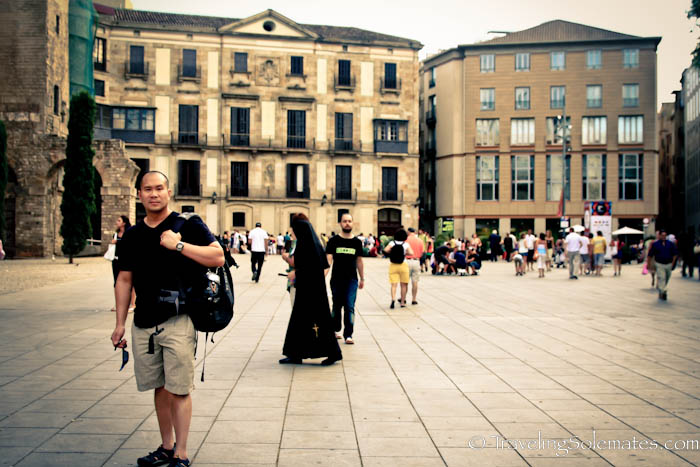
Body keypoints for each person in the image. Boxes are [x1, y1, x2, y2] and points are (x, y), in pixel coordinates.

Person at [111, 171, 224, 467]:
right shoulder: (133, 235)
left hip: (178, 319)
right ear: (139, 195)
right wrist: (120, 323)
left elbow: (218, 257)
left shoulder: (187, 225)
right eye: (147, 189)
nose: (154, 194)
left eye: (159, 188)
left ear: (169, 192)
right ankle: (166, 446)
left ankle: (182, 453)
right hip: (144, 322)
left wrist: (178, 245)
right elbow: (124, 280)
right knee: (160, 387)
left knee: (180, 388)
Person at [280, 213, 342, 365]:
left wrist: (296, 273)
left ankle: (332, 353)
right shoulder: (311, 243)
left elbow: (311, 269)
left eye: (294, 229)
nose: (292, 231)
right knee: (301, 322)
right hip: (310, 290)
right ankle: (296, 354)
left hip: (311, 292)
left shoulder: (306, 245)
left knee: (317, 322)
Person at [325, 213, 364, 345]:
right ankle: (335, 330)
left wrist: (362, 278)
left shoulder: (357, 242)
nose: (347, 223)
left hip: (352, 280)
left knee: (349, 306)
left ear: (353, 223)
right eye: (344, 221)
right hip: (336, 279)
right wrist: (322, 275)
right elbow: (328, 261)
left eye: (349, 221)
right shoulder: (333, 241)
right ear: (340, 224)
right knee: (336, 306)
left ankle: (348, 334)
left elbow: (359, 261)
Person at [384, 229, 414, 308]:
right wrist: (404, 252)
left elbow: (385, 250)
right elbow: (411, 253)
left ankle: (393, 299)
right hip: (403, 265)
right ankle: (402, 302)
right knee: (404, 285)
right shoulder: (406, 244)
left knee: (394, 285)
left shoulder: (392, 243)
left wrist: (392, 252)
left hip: (393, 265)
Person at [647, 229, 678, 301]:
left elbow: (675, 254)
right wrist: (648, 264)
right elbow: (650, 255)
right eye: (662, 235)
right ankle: (663, 291)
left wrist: (673, 263)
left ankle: (662, 289)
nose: (664, 237)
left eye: (665, 235)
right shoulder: (655, 244)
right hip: (659, 263)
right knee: (662, 277)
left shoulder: (670, 244)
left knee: (667, 277)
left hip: (668, 264)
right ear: (659, 235)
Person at [406, 227, 424, 305]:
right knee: (415, 281)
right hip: (416, 261)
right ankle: (414, 299)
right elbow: (422, 252)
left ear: (409, 232)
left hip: (407, 261)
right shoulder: (420, 240)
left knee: (405, 281)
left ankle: (403, 298)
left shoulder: (406, 239)